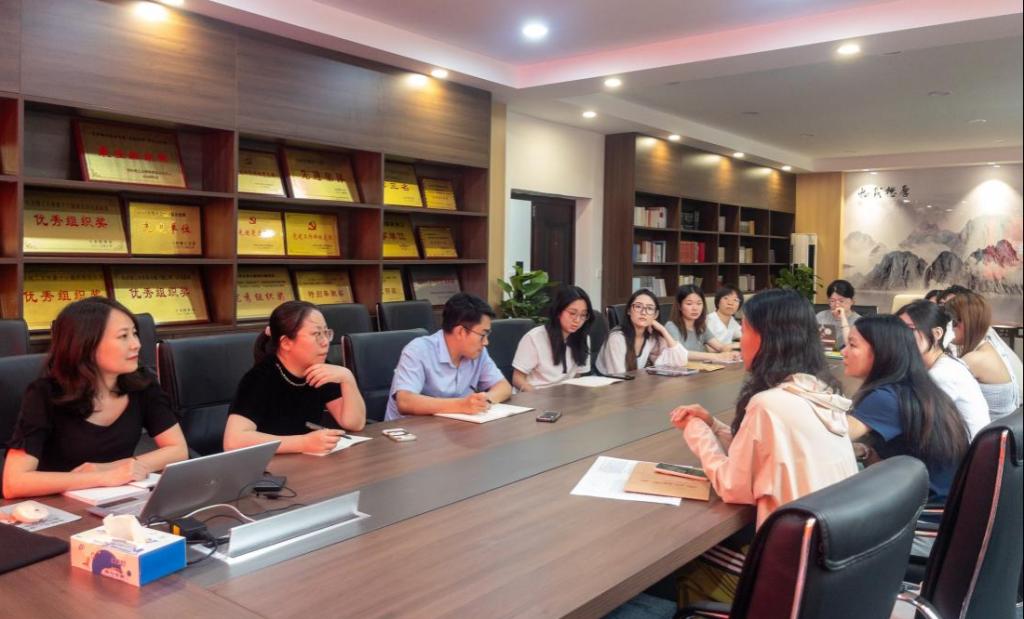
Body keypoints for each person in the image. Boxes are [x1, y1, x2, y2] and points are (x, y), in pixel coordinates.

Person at [668, 288, 859, 606]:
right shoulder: (820, 392)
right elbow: (767, 450)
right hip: (832, 563)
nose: (741, 340)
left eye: (745, 330)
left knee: (685, 565)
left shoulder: (768, 405)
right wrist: (714, 425)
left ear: (767, 338)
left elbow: (733, 486)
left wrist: (697, 431)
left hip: (792, 576)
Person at [3, 298, 188, 499]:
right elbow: (14, 483)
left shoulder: (142, 383)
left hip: (117, 499)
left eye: (134, 333)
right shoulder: (45, 394)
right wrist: (102, 477)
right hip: (55, 505)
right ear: (87, 344)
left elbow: (177, 450)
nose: (136, 344)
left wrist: (115, 468)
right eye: (123, 336)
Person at [842, 315, 969, 506]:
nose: (843, 352)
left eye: (852, 345)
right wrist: (866, 453)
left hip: (924, 514)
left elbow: (832, 437)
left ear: (882, 352)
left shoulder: (886, 398)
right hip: (941, 503)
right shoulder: (912, 387)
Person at [223, 301, 366, 454]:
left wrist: (347, 378)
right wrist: (303, 443)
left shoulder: (321, 370)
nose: (325, 342)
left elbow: (354, 423)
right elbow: (233, 442)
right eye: (317, 334)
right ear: (286, 343)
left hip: (309, 460)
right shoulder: (260, 377)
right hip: (269, 464)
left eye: (326, 333)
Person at [386, 293, 512, 421]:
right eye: (483, 335)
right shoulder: (418, 350)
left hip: (453, 427)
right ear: (460, 332)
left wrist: (485, 400)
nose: (486, 342)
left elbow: (503, 386)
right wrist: (461, 405)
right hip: (408, 429)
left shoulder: (479, 352)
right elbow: (405, 401)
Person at [896, 300, 989, 438]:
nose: (899, 336)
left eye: (909, 329)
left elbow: (916, 422)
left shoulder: (943, 374)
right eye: (897, 329)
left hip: (963, 448)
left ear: (937, 334)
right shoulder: (941, 362)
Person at [944, 291, 1023, 419]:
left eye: (952, 322)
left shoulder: (975, 360)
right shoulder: (988, 347)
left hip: (991, 429)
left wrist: (941, 343)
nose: (949, 328)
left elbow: (939, 390)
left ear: (963, 323)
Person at [512, 285, 593, 391]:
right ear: (558, 312)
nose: (577, 320)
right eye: (572, 313)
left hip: (565, 396)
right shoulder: (534, 338)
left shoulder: (583, 338)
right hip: (536, 394)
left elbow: (577, 376)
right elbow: (517, 379)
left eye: (583, 315)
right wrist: (534, 395)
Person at [596, 289, 687, 375]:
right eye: (638, 306)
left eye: (650, 308)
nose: (643, 312)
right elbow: (618, 376)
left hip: (632, 383)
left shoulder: (651, 337)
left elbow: (679, 361)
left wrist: (663, 330)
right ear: (628, 310)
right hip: (607, 384)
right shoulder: (617, 338)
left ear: (655, 315)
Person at [665, 285, 741, 363]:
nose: (695, 308)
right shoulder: (671, 326)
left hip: (703, 368)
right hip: (683, 369)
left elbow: (720, 347)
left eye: (699, 303)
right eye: (689, 304)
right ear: (679, 306)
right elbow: (680, 353)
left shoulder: (700, 326)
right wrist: (716, 356)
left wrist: (733, 353)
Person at [815, 279, 860, 349]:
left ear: (852, 301)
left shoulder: (859, 322)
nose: (837, 305)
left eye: (841, 301)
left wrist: (843, 318)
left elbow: (852, 347)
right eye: (832, 301)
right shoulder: (821, 316)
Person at [704, 285, 743, 350]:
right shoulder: (709, 320)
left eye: (735, 300)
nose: (730, 303)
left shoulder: (732, 321)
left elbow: (744, 336)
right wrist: (732, 346)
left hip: (728, 355)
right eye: (726, 298)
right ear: (718, 302)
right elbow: (708, 348)